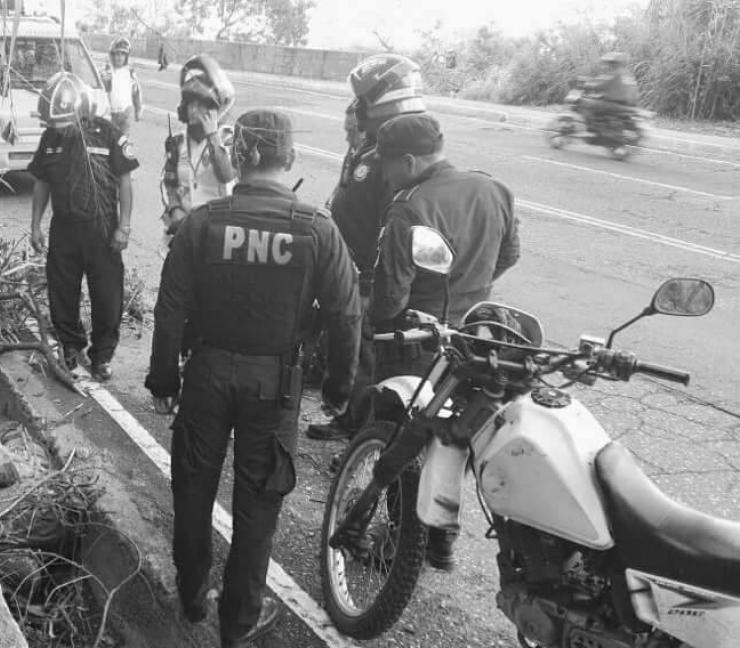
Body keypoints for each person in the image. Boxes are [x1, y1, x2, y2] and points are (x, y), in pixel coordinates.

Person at [145, 110, 361, 647]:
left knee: (193, 491)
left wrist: (163, 381)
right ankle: (237, 623)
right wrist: (338, 389)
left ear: (238, 157)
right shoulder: (317, 229)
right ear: (288, 158)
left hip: (206, 377)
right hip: (275, 386)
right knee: (257, 508)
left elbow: (170, 308)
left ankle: (193, 596)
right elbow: (345, 315)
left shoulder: (202, 223)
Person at [368, 112, 520, 569]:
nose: (385, 175)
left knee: (400, 439)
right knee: (452, 437)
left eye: (388, 165)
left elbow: (391, 294)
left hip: (417, 340)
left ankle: (399, 543)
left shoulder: (409, 207)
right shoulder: (493, 189)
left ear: (410, 160)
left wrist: (374, 325)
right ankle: (441, 540)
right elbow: (510, 254)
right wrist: (471, 289)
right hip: (474, 337)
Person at [307, 53, 428, 442]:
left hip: (364, 273)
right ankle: (347, 418)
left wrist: (368, 274)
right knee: (348, 347)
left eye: (361, 104)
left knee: (362, 353)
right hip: (345, 264)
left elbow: (388, 223)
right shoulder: (367, 150)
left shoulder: (387, 161)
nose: (355, 114)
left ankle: (356, 430)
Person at [28, 72, 138, 381]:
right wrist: (35, 224)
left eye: (64, 126)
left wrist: (124, 227)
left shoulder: (108, 135)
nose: (58, 133)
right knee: (62, 293)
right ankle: (70, 348)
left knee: (107, 297)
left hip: (102, 230)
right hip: (64, 229)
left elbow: (126, 183)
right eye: (54, 127)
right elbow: (41, 183)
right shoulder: (49, 139)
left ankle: (101, 356)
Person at [160, 53, 236, 244]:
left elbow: (226, 175)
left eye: (201, 105)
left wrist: (212, 136)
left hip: (218, 232)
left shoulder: (229, 139)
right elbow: (168, 182)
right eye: (191, 104)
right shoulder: (177, 143)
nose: (194, 111)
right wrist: (174, 208)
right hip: (183, 229)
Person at [579, 51, 639, 130]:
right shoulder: (629, 75)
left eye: (608, 63)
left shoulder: (614, 74)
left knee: (583, 102)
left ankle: (588, 129)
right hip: (628, 106)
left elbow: (598, 85)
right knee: (597, 100)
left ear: (614, 63)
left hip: (614, 105)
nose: (606, 65)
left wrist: (585, 84)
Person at [103, 37, 142, 135]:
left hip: (126, 112)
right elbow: (104, 92)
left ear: (126, 56)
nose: (119, 57)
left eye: (123, 54)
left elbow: (136, 92)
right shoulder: (108, 71)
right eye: (117, 54)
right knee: (112, 141)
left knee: (124, 142)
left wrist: (138, 109)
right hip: (111, 113)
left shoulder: (130, 72)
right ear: (112, 55)